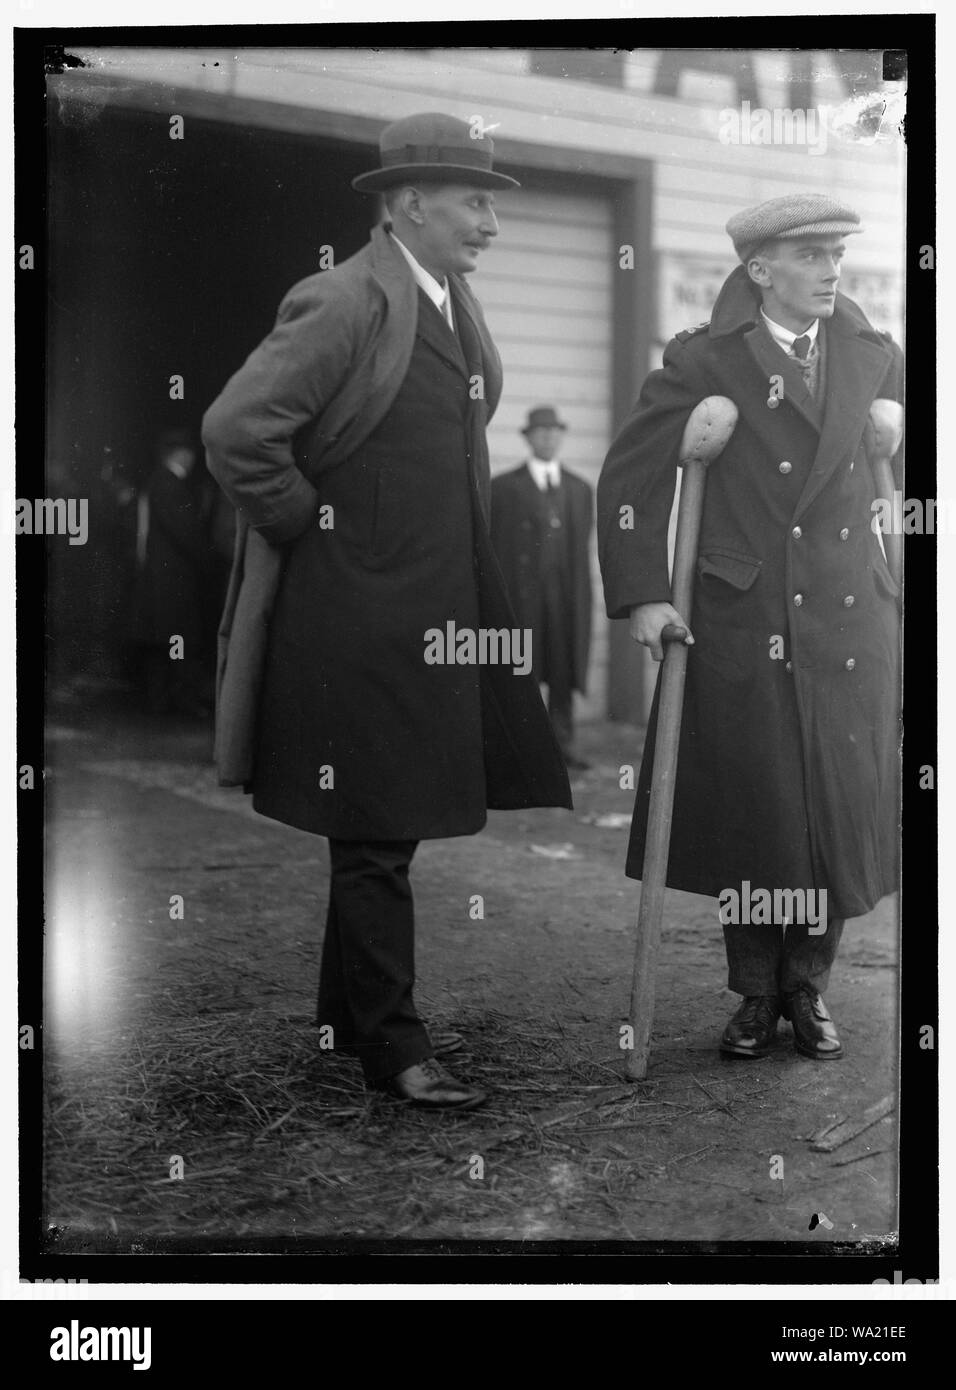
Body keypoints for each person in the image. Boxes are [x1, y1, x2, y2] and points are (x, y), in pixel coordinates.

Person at [202, 112, 571, 1111]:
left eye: (492, 202)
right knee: (374, 824)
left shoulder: (449, 297)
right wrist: (311, 530)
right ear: (409, 203)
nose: (491, 222)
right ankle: (393, 1045)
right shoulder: (344, 297)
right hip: (355, 613)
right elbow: (236, 429)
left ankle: (343, 1013)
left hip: (432, 606)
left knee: (381, 821)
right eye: (474, 201)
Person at [598, 193, 903, 1062]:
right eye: (809, 255)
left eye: (836, 253)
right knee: (759, 813)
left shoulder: (875, 356)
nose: (830, 269)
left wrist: (905, 434)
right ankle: (754, 992)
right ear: (760, 269)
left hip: (850, 614)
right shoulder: (705, 359)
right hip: (744, 616)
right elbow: (629, 480)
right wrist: (645, 594)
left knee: (834, 816)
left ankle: (807, 987)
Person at [491, 407, 593, 770]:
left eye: (554, 431)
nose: (548, 438)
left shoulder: (579, 489)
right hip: (523, 598)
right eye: (541, 432)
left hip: (563, 597)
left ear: (561, 437)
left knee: (562, 669)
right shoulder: (503, 488)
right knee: (524, 669)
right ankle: (522, 749)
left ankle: (562, 745)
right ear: (528, 438)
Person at [131, 428, 211, 717]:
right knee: (178, 640)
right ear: (183, 454)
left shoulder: (156, 482)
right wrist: (209, 562)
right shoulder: (170, 485)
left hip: (159, 580)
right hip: (172, 582)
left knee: (161, 644)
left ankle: (160, 704)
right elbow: (187, 534)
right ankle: (176, 704)